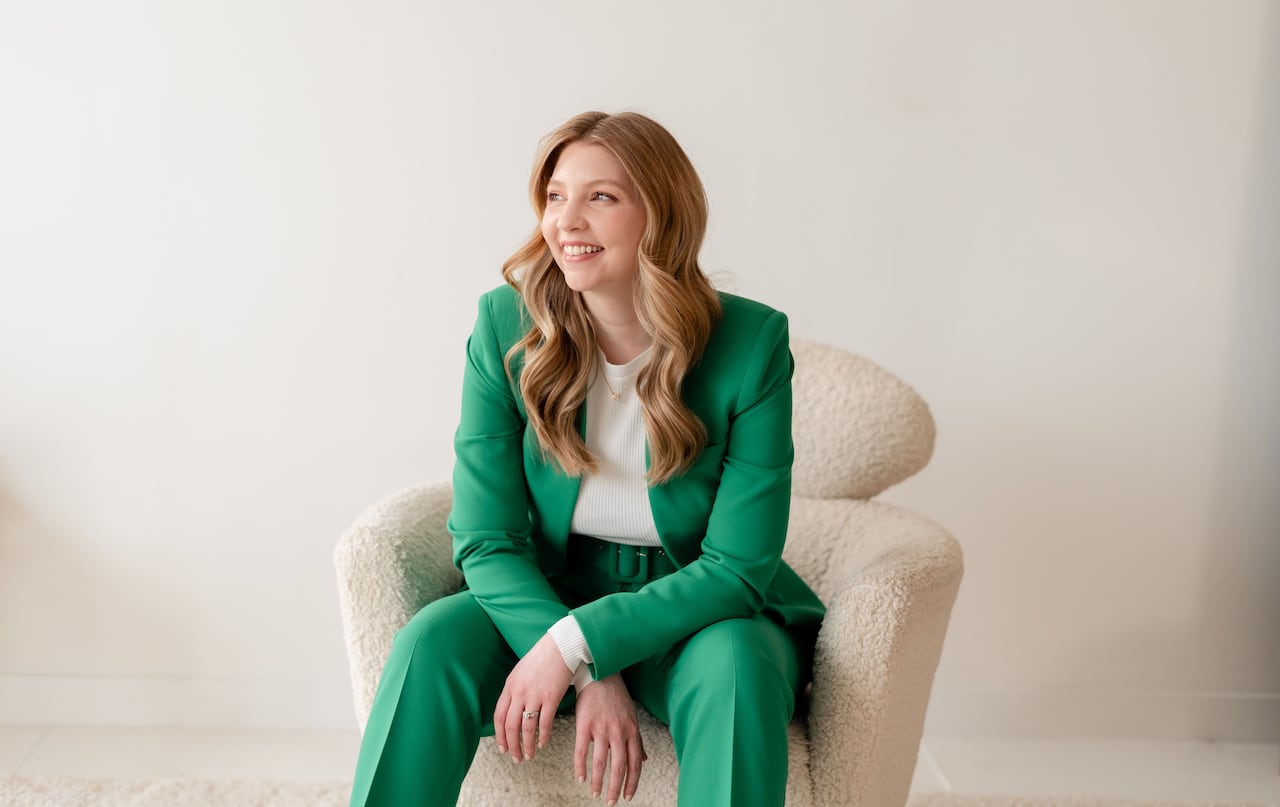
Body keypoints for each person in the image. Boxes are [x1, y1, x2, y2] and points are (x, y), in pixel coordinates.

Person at [349, 110, 825, 807]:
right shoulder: (504, 327)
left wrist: (580, 642)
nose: (567, 220)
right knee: (430, 643)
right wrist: (582, 664)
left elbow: (737, 568)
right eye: (555, 195)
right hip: (548, 586)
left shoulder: (752, 344)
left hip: (697, 611)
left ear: (660, 216)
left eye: (601, 196)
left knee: (738, 668)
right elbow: (487, 538)